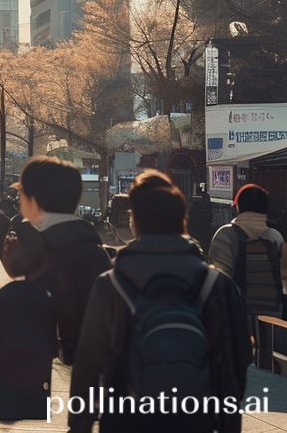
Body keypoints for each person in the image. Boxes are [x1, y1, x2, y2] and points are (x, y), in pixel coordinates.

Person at [69, 171, 251, 433]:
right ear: (182, 221)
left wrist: (80, 425)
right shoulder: (217, 285)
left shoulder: (111, 284)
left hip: (125, 420)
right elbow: (239, 359)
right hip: (197, 420)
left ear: (135, 222)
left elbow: (87, 364)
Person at [2, 156, 111, 364]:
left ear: (32, 200)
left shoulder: (29, 250)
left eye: (21, 194)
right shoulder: (94, 250)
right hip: (92, 371)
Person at [209, 182, 287, 365]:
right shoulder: (275, 236)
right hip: (271, 316)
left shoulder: (226, 235)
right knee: (268, 363)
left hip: (238, 317)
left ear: (238, 207)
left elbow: (219, 282)